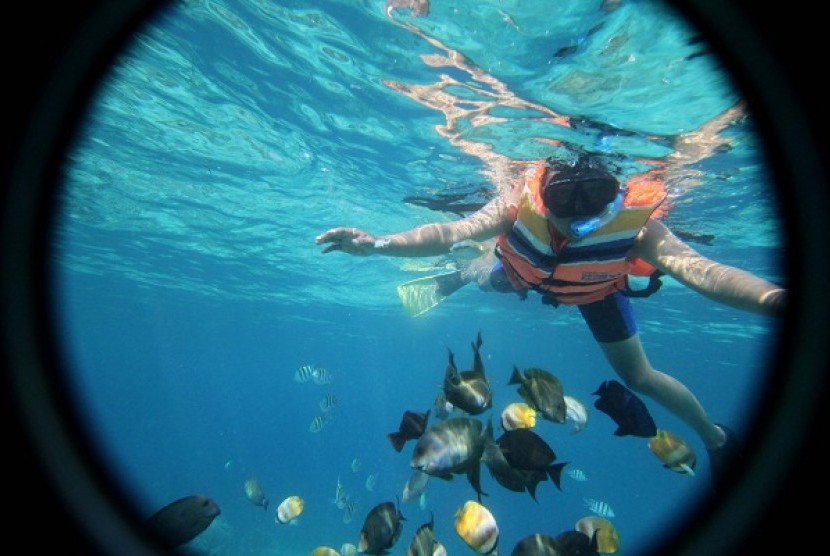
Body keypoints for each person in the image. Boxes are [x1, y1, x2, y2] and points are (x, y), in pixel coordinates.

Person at [315, 153, 786, 493]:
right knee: (486, 275)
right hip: (527, 272)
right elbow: (450, 232)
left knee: (639, 376)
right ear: (543, 191)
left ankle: (717, 438)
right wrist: (378, 244)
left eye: (595, 198)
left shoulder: (638, 228)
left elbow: (701, 271)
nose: (578, 216)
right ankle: (470, 270)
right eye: (563, 199)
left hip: (597, 290)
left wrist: (773, 299)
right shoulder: (516, 206)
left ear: (615, 195)